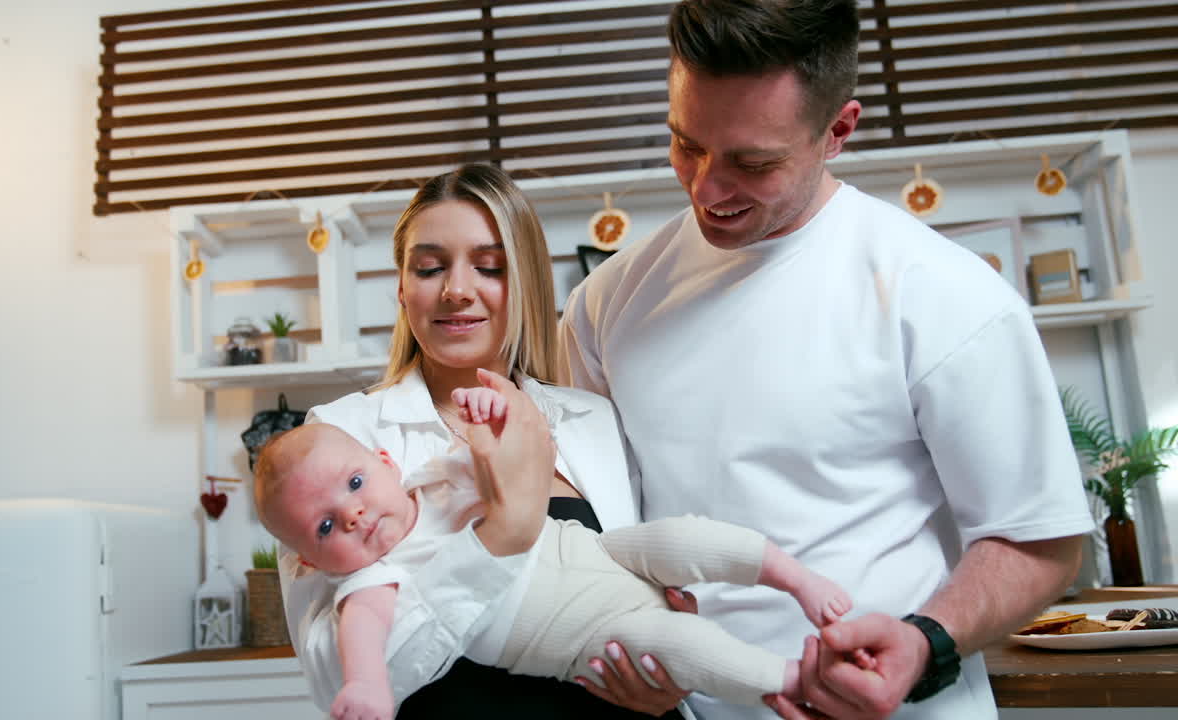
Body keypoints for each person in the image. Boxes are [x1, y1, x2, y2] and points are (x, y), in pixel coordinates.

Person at [560, 2, 1095, 719]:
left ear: (838, 130)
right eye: (686, 144)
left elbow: (1041, 543)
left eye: (753, 163)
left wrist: (927, 641)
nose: (705, 189)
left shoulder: (944, 295)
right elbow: (588, 529)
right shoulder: (605, 303)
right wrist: (618, 632)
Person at [278, 163, 693, 719]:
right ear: (402, 288)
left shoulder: (592, 421)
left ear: (522, 282)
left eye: (489, 266)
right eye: (429, 268)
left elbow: (646, 593)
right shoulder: (337, 438)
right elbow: (335, 680)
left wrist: (670, 672)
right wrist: (500, 538)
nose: (456, 290)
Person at [256, 386, 860, 720]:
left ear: (387, 466)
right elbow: (354, 650)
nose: (355, 514)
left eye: (357, 487)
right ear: (307, 559)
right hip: (588, 638)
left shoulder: (437, 479)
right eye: (328, 525)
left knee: (682, 538)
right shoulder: (371, 580)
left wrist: (493, 421)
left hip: (606, 557)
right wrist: (368, 689)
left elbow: (493, 461)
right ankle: (788, 682)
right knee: (682, 646)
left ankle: (792, 576)